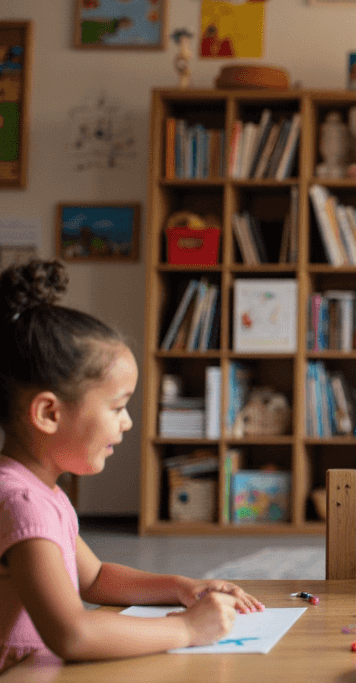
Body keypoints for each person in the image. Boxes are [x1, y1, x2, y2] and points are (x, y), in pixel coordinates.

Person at [0, 260, 262, 671]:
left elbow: (95, 578)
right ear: (49, 413)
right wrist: (186, 628)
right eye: (117, 407)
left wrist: (181, 587)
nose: (127, 422)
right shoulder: (21, 502)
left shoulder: (41, 492)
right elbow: (72, 634)